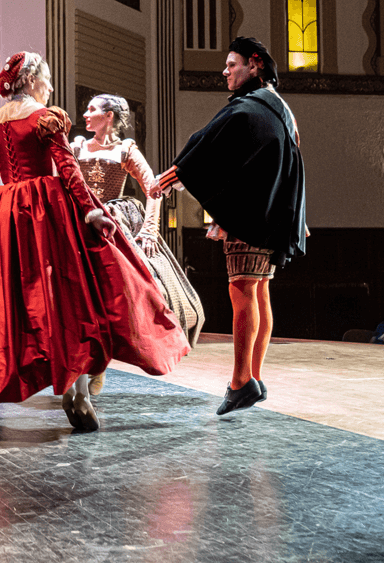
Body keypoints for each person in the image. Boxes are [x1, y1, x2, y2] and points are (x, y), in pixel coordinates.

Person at [0, 52, 190, 431]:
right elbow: (67, 170)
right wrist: (92, 211)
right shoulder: (45, 118)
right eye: (46, 80)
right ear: (32, 81)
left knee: (15, 301)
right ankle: (77, 389)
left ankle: (54, 378)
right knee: (75, 296)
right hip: (47, 210)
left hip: (3, 213)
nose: (49, 87)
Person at [154, 37, 307, 416]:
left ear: (254, 64)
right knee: (259, 292)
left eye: (231, 64)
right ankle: (253, 377)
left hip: (250, 217)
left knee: (242, 292)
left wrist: (171, 176)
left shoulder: (250, 108)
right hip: (273, 215)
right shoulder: (280, 109)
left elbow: (207, 144)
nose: (225, 71)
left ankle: (240, 382)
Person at [72, 93, 205, 394]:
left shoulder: (125, 149)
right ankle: (83, 362)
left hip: (109, 227)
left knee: (111, 298)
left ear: (108, 116)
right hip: (79, 222)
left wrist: (148, 229)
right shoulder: (77, 146)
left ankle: (100, 361)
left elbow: (154, 188)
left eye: (92, 110)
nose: (85, 115)